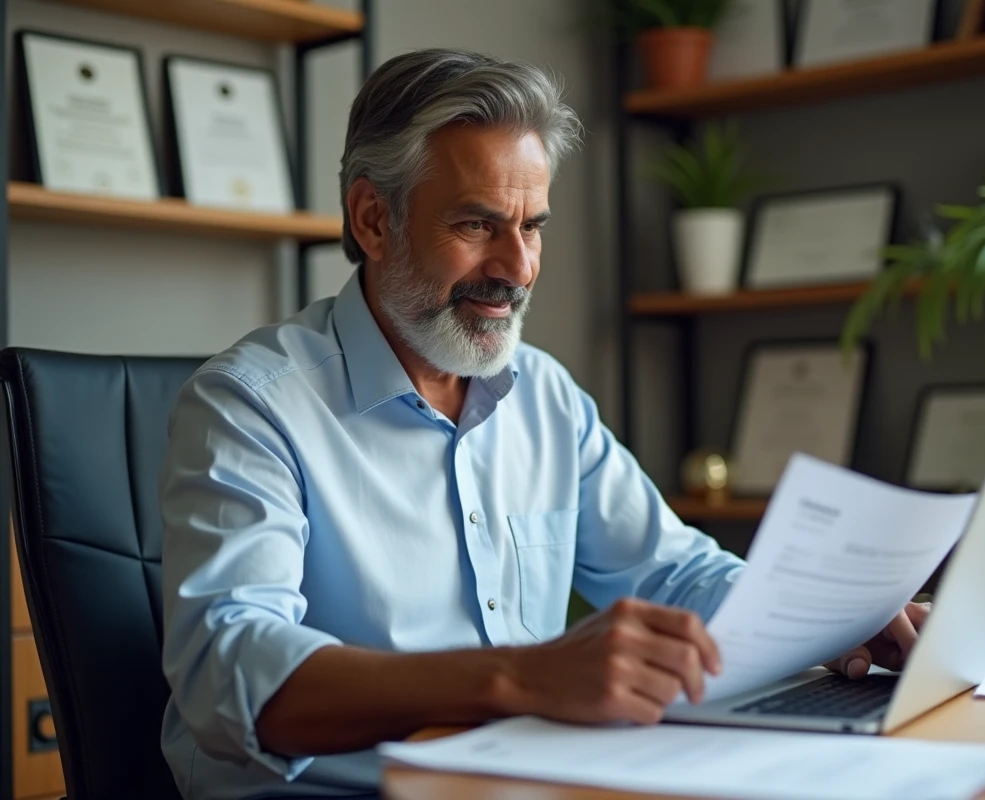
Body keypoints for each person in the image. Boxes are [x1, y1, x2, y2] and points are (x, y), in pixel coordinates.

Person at [159, 48, 930, 800]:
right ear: (373, 220)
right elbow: (229, 673)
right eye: (477, 225)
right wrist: (523, 677)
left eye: (532, 227)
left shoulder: (544, 396)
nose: (519, 267)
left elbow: (675, 575)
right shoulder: (251, 405)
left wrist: (824, 619)